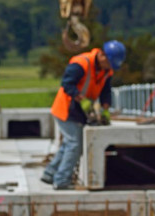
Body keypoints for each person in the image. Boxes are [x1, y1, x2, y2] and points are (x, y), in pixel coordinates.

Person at [41, 40, 126, 190]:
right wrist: (82, 99)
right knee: (75, 144)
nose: (109, 67)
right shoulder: (81, 63)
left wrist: (105, 109)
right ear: (101, 55)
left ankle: (49, 173)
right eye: (109, 63)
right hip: (66, 108)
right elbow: (67, 84)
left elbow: (106, 92)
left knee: (69, 143)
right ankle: (61, 181)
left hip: (79, 110)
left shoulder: (107, 71)